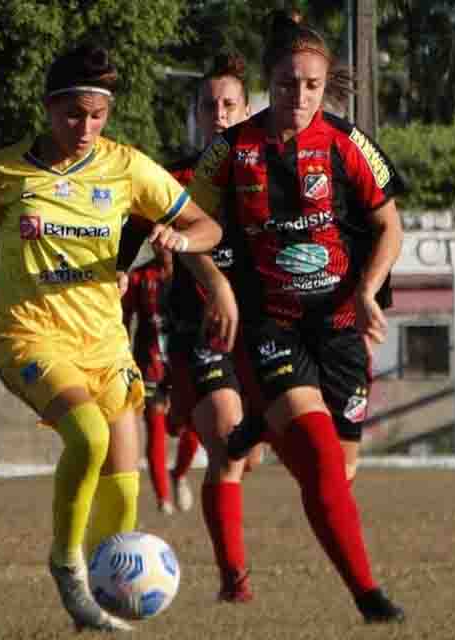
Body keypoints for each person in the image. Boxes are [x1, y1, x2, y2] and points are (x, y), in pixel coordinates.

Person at [0, 43, 221, 632]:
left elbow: (206, 224)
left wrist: (183, 241)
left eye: (97, 115)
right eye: (73, 114)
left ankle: (104, 604)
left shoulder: (127, 167)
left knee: (125, 498)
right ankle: (66, 564)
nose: (85, 127)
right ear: (50, 108)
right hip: (29, 338)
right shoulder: (8, 170)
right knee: (86, 437)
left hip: (105, 347)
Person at [185, 11, 407, 624]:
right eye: (287, 84)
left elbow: (390, 225)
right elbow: (192, 231)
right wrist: (221, 293)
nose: (299, 97)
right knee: (318, 457)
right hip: (270, 325)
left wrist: (367, 290)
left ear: (325, 82)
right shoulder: (231, 151)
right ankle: (370, 599)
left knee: (342, 468)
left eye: (311, 85)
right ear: (268, 82)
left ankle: (259, 418)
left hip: (338, 325)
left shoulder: (346, 142)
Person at [116, 52, 265, 602]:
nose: (220, 114)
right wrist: (114, 271)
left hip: (263, 331)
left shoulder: (267, 173)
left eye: (230, 104)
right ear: (197, 113)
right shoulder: (174, 177)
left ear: (248, 109)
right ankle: (235, 580)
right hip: (195, 331)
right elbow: (133, 224)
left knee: (249, 455)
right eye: (210, 105)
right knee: (227, 446)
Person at [120, 244, 195, 515]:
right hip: (149, 361)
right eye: (156, 240)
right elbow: (124, 318)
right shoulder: (140, 277)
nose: (162, 246)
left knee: (191, 426)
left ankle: (179, 474)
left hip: (184, 360)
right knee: (156, 426)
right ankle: (163, 498)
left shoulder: (192, 272)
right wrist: (123, 356)